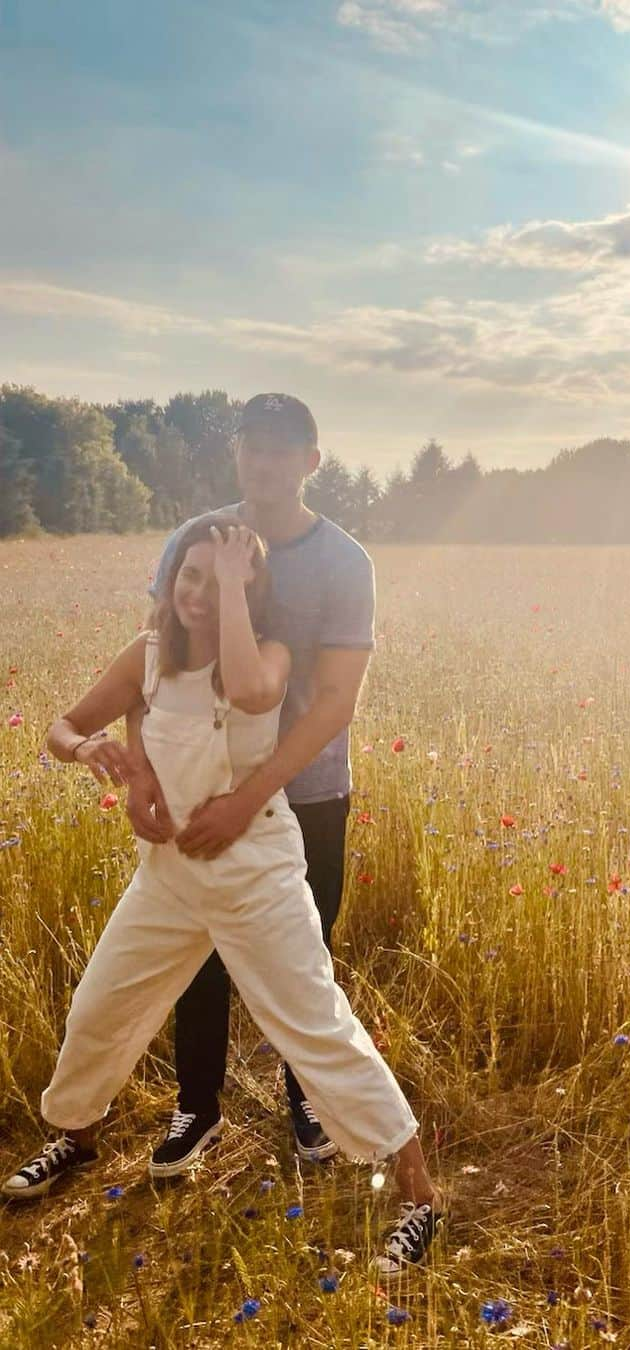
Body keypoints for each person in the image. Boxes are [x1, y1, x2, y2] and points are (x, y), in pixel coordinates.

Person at [2, 517, 443, 1276]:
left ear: (251, 592)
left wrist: (237, 588)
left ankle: (420, 1198)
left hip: (254, 875)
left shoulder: (265, 653)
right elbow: (62, 725)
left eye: (224, 579)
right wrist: (98, 752)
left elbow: (246, 692)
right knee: (99, 1009)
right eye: (192, 575)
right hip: (166, 880)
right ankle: (75, 1138)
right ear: (170, 579)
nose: (202, 594)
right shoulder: (144, 656)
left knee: (315, 1028)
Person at [126, 394, 380, 1178]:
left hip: (306, 795)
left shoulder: (344, 562)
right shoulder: (193, 539)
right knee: (193, 956)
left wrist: (252, 798)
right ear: (237, 454)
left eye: (281, 450)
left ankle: (308, 1101)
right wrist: (140, 770)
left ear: (312, 460)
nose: (263, 464)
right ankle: (196, 1110)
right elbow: (153, 660)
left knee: (303, 957)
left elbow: (336, 701)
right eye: (251, 448)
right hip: (197, 789)